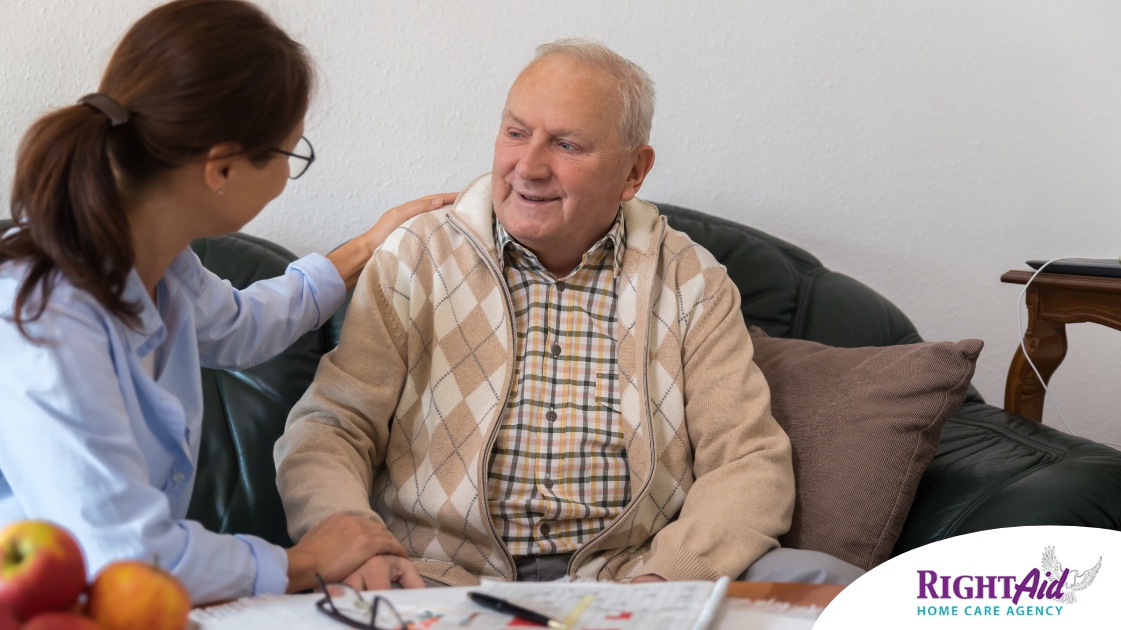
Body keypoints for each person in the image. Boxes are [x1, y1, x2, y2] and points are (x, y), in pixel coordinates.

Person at [274, 39, 864, 589]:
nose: (527, 167)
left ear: (633, 172)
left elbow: (747, 459)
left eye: (566, 145)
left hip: (634, 576)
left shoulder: (693, 281)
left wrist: (667, 579)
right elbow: (332, 427)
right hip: (440, 579)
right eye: (516, 133)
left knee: (830, 582)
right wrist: (354, 542)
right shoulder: (417, 256)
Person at [0, 0, 442, 604]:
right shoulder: (40, 323)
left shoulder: (154, 257)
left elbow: (243, 328)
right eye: (290, 154)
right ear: (220, 169)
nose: (285, 176)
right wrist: (301, 562)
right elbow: (120, 552)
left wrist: (370, 245)